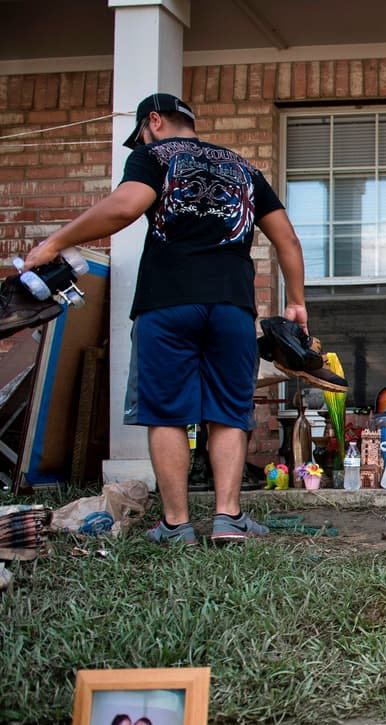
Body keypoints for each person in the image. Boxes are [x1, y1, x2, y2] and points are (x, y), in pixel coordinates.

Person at [22, 93, 308, 544]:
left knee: (168, 414)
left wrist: (55, 242)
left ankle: (177, 524)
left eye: (139, 136)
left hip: (167, 303)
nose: (139, 145)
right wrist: (296, 302)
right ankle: (228, 518)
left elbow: (124, 207)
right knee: (230, 413)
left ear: (153, 121)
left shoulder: (154, 156)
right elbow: (287, 240)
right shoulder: (245, 168)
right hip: (232, 306)